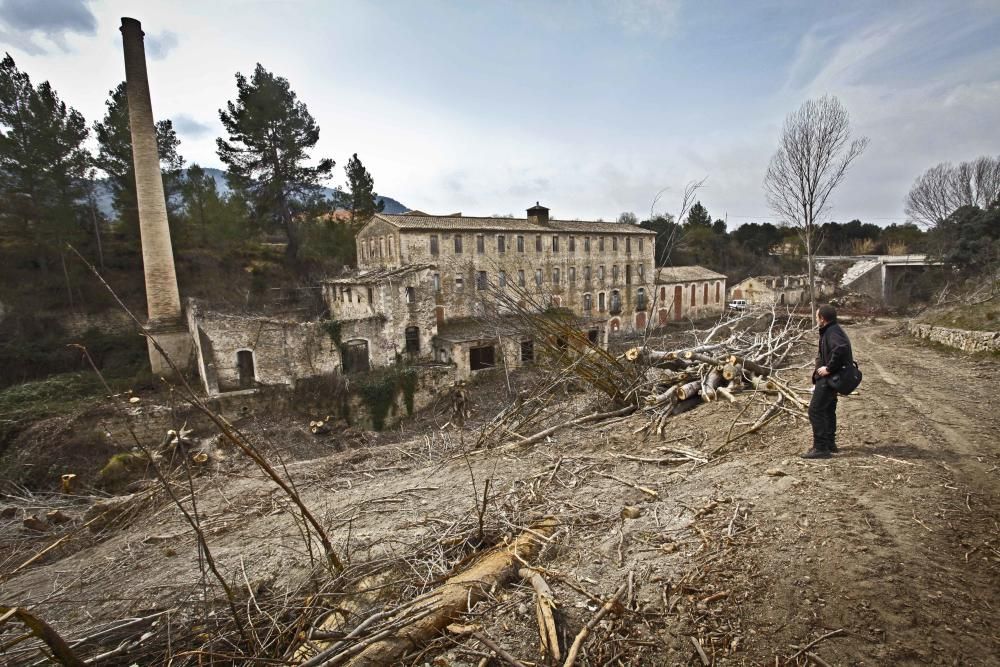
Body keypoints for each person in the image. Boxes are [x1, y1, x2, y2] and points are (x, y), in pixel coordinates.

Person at [803, 304, 853, 459]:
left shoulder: (832, 332)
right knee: (828, 409)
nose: (816, 319)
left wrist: (829, 368)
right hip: (831, 379)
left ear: (822, 319)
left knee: (815, 411)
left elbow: (841, 348)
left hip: (830, 378)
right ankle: (830, 443)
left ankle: (821, 448)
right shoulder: (832, 330)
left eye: (817, 317)